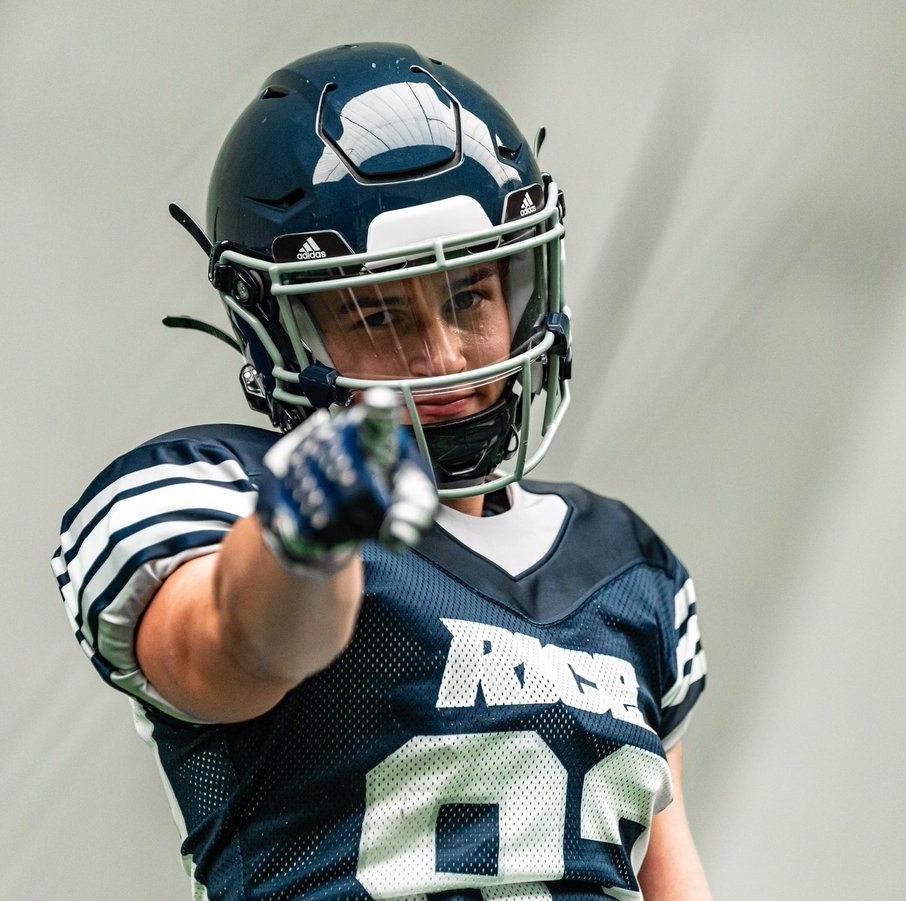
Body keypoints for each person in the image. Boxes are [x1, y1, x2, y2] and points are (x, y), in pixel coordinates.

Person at [51, 42, 711, 900]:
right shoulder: (219, 494)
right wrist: (299, 542)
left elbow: (674, 878)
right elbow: (233, 644)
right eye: (375, 312)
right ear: (279, 329)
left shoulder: (630, 569)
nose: (443, 358)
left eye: (470, 296)